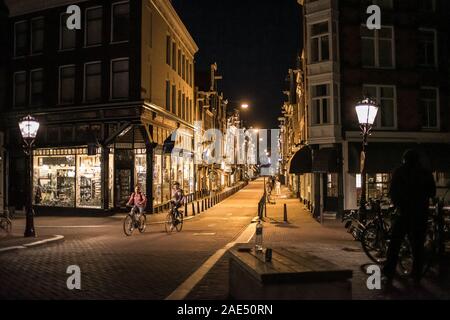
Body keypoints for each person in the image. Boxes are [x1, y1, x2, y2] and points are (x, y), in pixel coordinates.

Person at [382, 149, 436, 288]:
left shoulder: (400, 172)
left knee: (395, 243)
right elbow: (432, 192)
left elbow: (393, 192)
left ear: (405, 159)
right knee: (417, 246)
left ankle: (389, 271)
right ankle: (416, 274)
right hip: (420, 214)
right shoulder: (425, 173)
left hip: (404, 213)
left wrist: (399, 205)